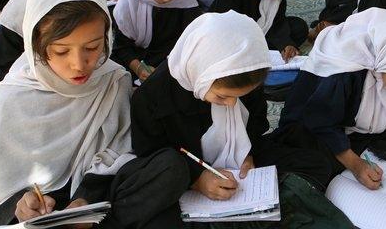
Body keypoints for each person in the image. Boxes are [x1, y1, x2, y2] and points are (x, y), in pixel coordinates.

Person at [0, 0, 189, 228]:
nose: (79, 65)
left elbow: (119, 150)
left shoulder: (112, 79)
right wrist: (24, 206)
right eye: (61, 51)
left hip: (96, 196)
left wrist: (85, 199)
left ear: (107, 38)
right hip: (44, 209)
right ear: (36, 45)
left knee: (172, 167)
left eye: (92, 48)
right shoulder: (12, 96)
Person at [131, 12, 332, 210]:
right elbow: (151, 154)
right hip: (189, 170)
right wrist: (196, 179)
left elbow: (256, 122)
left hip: (240, 160)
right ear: (202, 75)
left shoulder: (245, 72)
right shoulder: (153, 96)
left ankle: (262, 205)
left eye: (239, 96)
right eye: (222, 97)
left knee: (316, 164)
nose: (231, 105)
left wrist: (247, 153)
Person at [273, 8, 386, 189]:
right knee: (315, 169)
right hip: (313, 124)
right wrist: (355, 164)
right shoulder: (343, 71)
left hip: (354, 124)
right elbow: (321, 122)